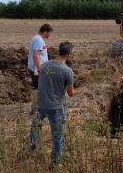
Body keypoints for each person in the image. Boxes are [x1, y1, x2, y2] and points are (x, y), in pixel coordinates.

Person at [29, 41, 75, 169]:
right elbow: (71, 93)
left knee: (35, 126)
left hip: (40, 104)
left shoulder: (44, 66)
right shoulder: (67, 71)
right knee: (57, 135)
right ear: (68, 54)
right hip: (55, 108)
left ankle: (31, 146)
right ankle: (55, 162)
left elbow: (41, 77)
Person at [28, 23, 53, 89]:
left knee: (40, 86)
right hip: (37, 69)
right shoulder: (39, 40)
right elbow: (36, 56)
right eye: (49, 33)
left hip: (37, 68)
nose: (50, 35)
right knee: (40, 88)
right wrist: (40, 69)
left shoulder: (36, 38)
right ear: (45, 31)